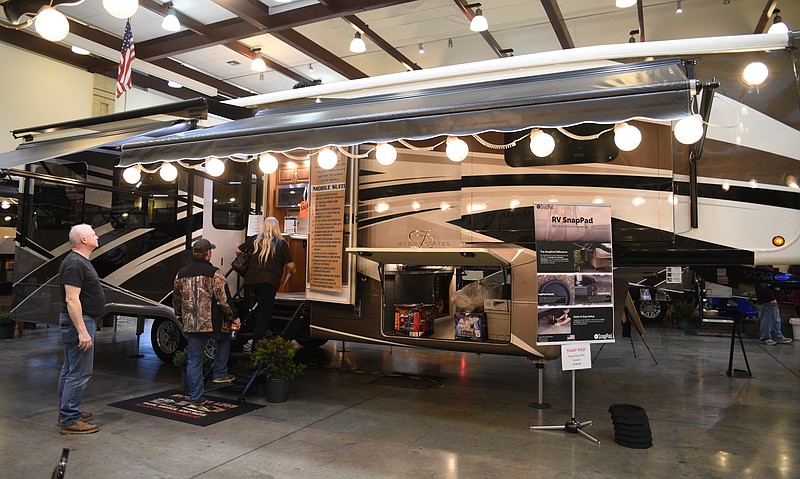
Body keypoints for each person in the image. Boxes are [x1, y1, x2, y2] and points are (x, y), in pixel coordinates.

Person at [173, 238, 240, 410]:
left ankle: (195, 400)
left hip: (190, 325)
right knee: (225, 339)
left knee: (194, 361)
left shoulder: (180, 274)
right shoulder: (214, 273)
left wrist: (181, 317)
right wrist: (234, 316)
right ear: (207, 253)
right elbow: (224, 300)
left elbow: (176, 301)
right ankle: (220, 373)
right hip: (211, 324)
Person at [58, 224, 104, 434]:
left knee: (70, 370)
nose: (97, 236)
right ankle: (69, 418)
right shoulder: (75, 263)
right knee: (79, 372)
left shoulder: (80, 262)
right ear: (83, 239)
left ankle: (67, 410)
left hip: (82, 320)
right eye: (93, 233)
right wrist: (82, 330)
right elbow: (71, 299)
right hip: (80, 321)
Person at [236, 217, 296, 343]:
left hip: (250, 281)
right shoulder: (281, 243)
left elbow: (238, 250)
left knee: (261, 308)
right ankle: (255, 346)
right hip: (268, 282)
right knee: (264, 315)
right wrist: (293, 271)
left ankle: (266, 331)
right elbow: (291, 265)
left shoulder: (255, 240)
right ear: (277, 227)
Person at [754, 265, 792, 345]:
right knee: (768, 318)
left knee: (775, 318)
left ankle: (777, 336)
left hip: (772, 298)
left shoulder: (766, 268)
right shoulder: (763, 268)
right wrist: (771, 298)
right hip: (768, 299)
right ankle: (765, 337)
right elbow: (764, 285)